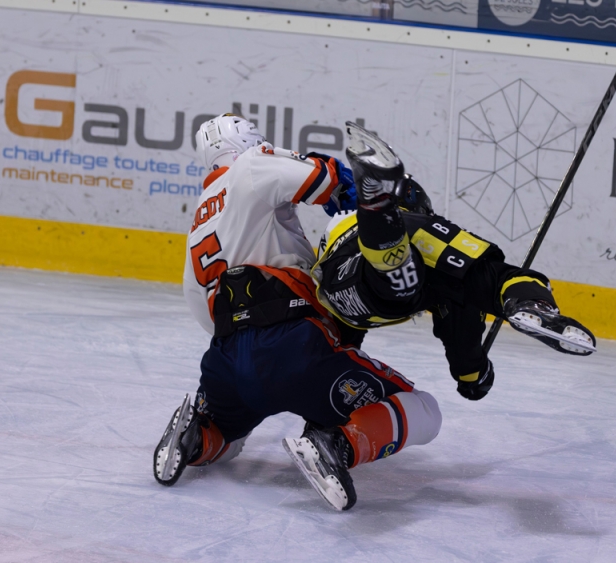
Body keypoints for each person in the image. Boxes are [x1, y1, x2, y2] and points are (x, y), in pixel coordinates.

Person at [153, 113, 442, 511]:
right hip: (291, 346)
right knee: (426, 410)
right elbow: (322, 176)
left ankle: (197, 438)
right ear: (247, 140)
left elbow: (202, 309)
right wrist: (370, 202)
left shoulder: (202, 217)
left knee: (229, 440)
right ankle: (339, 443)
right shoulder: (251, 165)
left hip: (224, 360)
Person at [306, 122, 596, 404]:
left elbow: (342, 345)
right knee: (492, 277)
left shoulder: (345, 211)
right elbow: (462, 332)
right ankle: (531, 304)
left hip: (337, 284)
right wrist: (473, 377)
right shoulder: (421, 223)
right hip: (390, 263)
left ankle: (379, 216)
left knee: (385, 288)